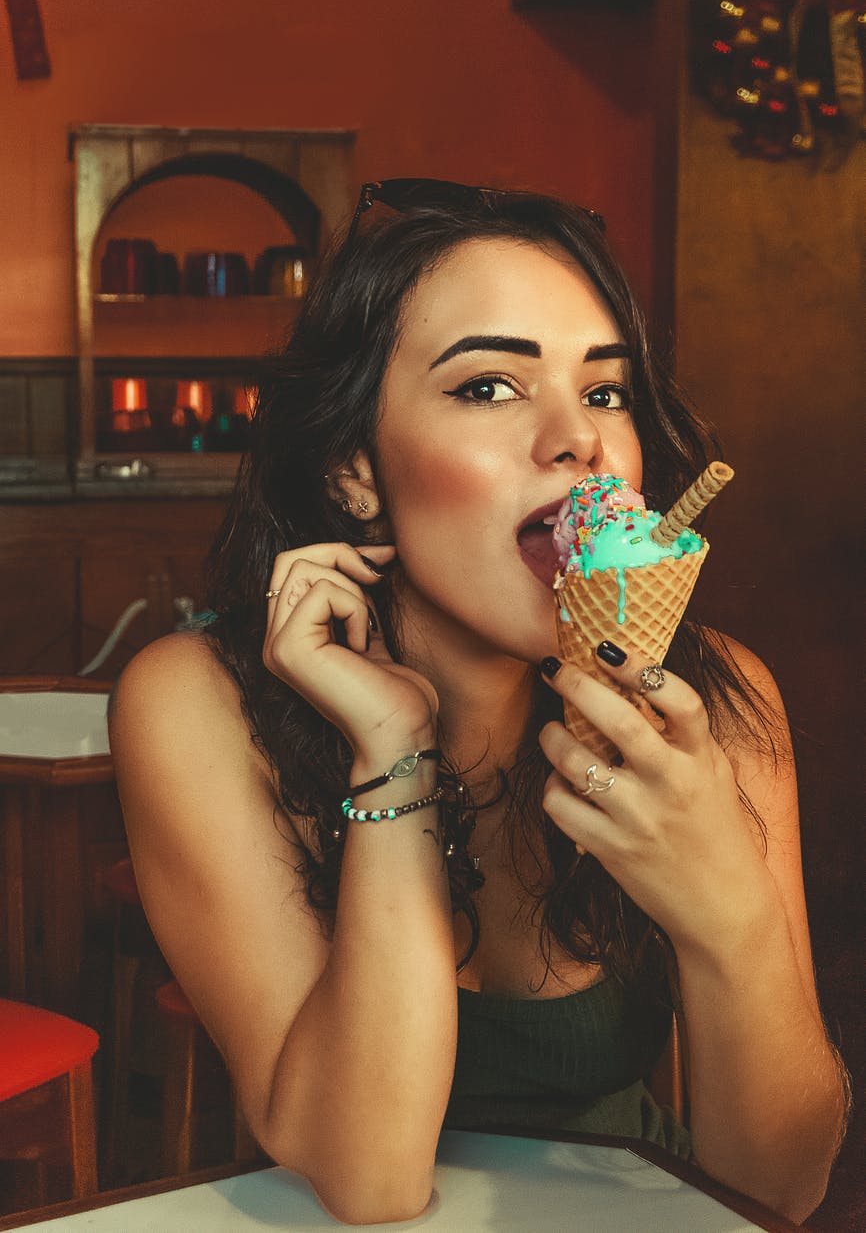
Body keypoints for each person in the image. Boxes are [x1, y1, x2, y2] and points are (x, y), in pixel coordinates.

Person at [109, 180, 848, 1225]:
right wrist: (393, 747)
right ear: (354, 470)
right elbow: (368, 1180)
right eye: (490, 387)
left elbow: (781, 1186)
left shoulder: (712, 705)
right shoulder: (197, 704)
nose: (578, 440)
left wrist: (728, 910)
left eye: (605, 392)